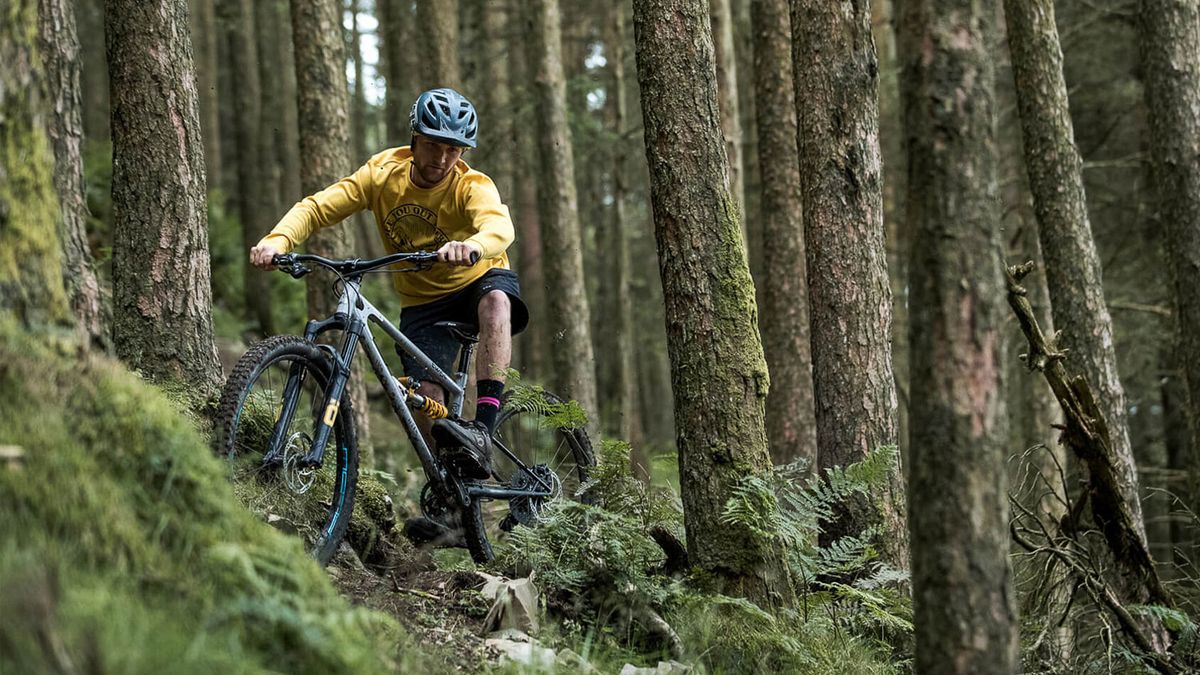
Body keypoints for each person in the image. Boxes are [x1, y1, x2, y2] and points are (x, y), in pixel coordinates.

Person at [249, 87, 527, 484]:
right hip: (424, 302)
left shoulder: (471, 185)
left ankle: (483, 428)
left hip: (477, 279)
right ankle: (449, 496)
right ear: (415, 139)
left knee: (497, 302)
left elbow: (500, 227)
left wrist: (472, 246)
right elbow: (317, 207)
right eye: (434, 146)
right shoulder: (383, 175)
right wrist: (277, 241)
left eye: (454, 150)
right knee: (426, 399)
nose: (443, 159)